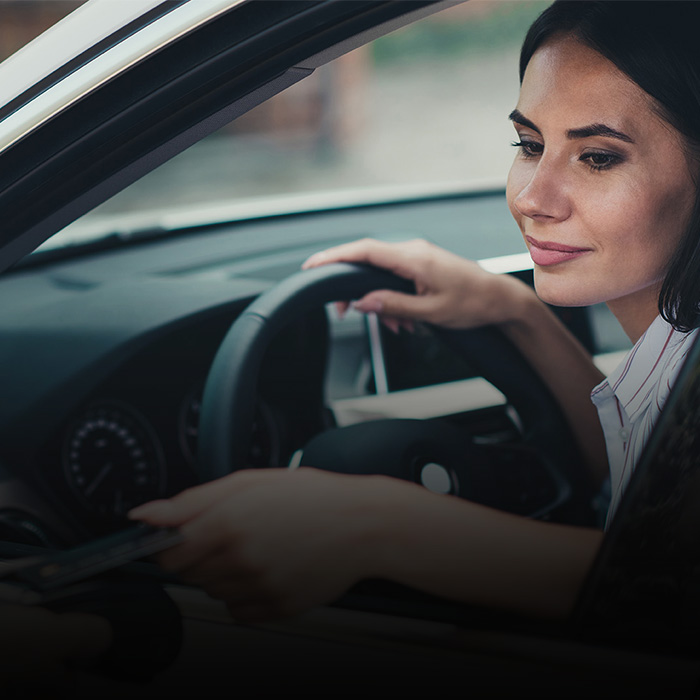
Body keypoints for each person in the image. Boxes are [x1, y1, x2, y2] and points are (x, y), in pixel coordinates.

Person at [128, 1, 700, 625]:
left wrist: (371, 527)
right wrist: (511, 312)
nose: (534, 197)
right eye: (529, 144)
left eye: (598, 157)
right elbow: (647, 486)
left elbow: (670, 591)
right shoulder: (676, 348)